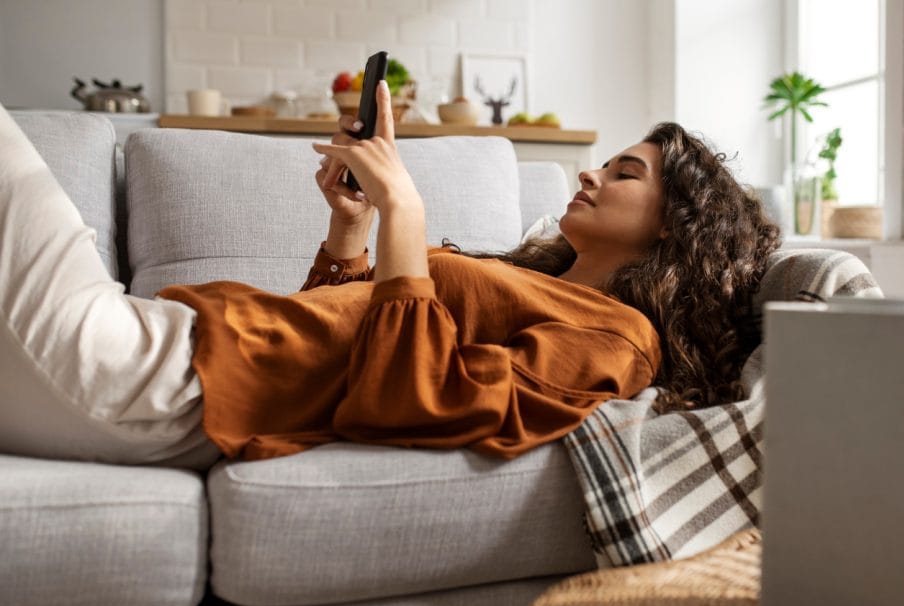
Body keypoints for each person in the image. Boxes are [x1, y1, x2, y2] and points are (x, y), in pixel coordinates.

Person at [0, 81, 779, 468]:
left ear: (674, 226)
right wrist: (354, 232)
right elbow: (333, 339)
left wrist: (406, 208)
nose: (591, 176)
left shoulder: (620, 340)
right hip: (171, 348)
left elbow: (414, 399)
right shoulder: (537, 280)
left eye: (625, 174)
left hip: (156, 378)